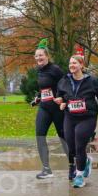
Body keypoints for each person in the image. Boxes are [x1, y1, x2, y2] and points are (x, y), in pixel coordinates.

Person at [54, 48, 98, 189]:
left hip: (87, 117)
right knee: (71, 146)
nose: (72, 65)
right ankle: (86, 162)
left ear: (81, 65)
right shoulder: (64, 80)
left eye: (75, 63)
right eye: (70, 63)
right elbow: (60, 95)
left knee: (79, 144)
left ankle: (79, 176)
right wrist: (61, 102)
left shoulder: (93, 81)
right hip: (70, 116)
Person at [29, 39, 68, 179]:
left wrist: (62, 97)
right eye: (37, 56)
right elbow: (44, 89)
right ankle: (46, 169)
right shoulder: (39, 71)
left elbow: (65, 85)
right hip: (44, 107)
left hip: (57, 108)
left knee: (64, 137)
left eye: (41, 55)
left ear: (47, 56)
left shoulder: (55, 69)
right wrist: (38, 97)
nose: (39, 58)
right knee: (40, 136)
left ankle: (75, 165)